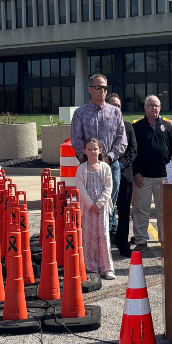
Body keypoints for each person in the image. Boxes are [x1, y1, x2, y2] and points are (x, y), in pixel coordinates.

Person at [70, 73, 127, 239]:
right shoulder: (80, 114)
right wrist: (90, 160)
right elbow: (77, 140)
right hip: (88, 168)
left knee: (108, 205)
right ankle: (90, 243)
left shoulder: (115, 113)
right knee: (90, 207)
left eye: (104, 88)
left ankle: (105, 242)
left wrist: (108, 157)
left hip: (110, 166)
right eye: (98, 87)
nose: (102, 91)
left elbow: (121, 140)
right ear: (89, 89)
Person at [131, 94, 172, 252]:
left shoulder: (167, 125)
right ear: (145, 108)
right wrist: (136, 172)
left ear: (160, 108)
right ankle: (141, 240)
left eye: (156, 105)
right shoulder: (137, 127)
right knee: (140, 210)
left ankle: (164, 240)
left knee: (163, 210)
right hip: (142, 177)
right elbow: (133, 152)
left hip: (163, 176)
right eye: (151, 105)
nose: (154, 108)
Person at [74, 138, 116, 280]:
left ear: (100, 151)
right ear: (84, 151)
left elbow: (109, 187)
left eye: (95, 149)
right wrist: (90, 204)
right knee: (89, 235)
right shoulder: (82, 168)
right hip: (87, 208)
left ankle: (107, 267)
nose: (93, 151)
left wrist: (98, 204)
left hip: (101, 206)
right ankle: (91, 266)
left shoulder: (105, 168)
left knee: (103, 234)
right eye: (90, 149)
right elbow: (80, 188)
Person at [105, 93, 137, 256]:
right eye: (113, 105)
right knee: (106, 211)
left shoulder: (128, 126)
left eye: (119, 105)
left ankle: (123, 244)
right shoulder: (102, 126)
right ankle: (105, 245)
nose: (117, 108)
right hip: (105, 176)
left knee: (124, 212)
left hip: (125, 176)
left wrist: (121, 165)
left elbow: (133, 150)